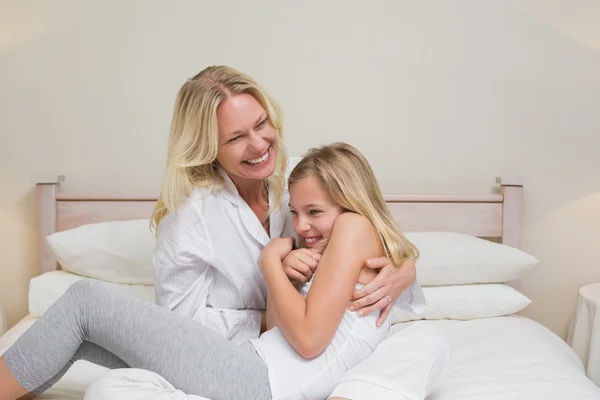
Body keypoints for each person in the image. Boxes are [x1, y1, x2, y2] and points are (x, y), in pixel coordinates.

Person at [0, 143, 449, 400]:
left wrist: (270, 262)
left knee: (84, 303)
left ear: (352, 200)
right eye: (296, 212)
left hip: (257, 381)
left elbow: (309, 341)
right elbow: (278, 326)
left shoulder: (354, 226)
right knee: (84, 335)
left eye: (315, 211)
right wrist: (289, 276)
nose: (302, 225)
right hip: (258, 373)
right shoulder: (342, 241)